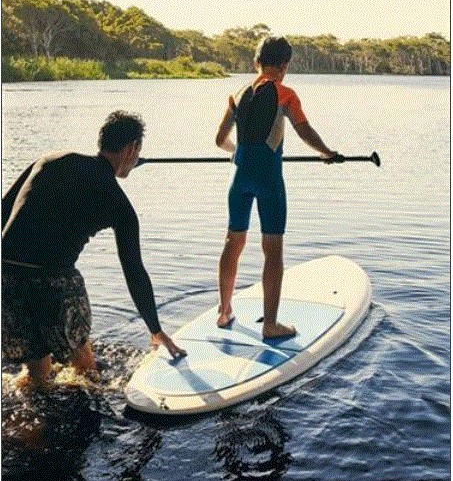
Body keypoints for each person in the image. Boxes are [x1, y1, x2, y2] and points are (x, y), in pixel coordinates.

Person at [2, 110, 187, 390]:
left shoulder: (51, 160)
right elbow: (134, 272)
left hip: (6, 276)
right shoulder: (118, 203)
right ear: (132, 148)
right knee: (86, 371)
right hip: (53, 281)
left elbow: (4, 209)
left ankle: (34, 406)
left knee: (36, 370)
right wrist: (156, 330)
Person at [215, 36, 342, 340]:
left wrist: (237, 152)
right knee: (272, 249)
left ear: (255, 63)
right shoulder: (286, 95)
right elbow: (304, 131)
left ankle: (224, 310)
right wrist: (326, 152)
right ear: (285, 65)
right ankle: (270, 325)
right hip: (269, 180)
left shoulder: (236, 94)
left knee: (233, 242)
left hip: (238, 179)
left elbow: (220, 140)